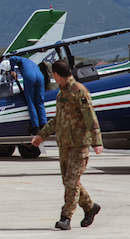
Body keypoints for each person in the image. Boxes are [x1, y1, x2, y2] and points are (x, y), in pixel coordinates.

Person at [31, 59, 103, 230]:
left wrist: (97, 141)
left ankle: (66, 217)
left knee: (71, 181)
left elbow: (90, 117)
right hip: (65, 145)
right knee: (69, 181)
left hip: (79, 145)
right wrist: (41, 135)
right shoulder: (61, 94)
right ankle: (90, 207)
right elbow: (58, 119)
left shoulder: (79, 91)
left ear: (56, 75)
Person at [0, 56, 46, 134]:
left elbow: (12, 58)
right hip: (40, 76)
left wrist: (12, 71)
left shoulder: (20, 59)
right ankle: (44, 125)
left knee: (31, 102)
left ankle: (35, 127)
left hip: (30, 75)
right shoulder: (29, 61)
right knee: (40, 102)